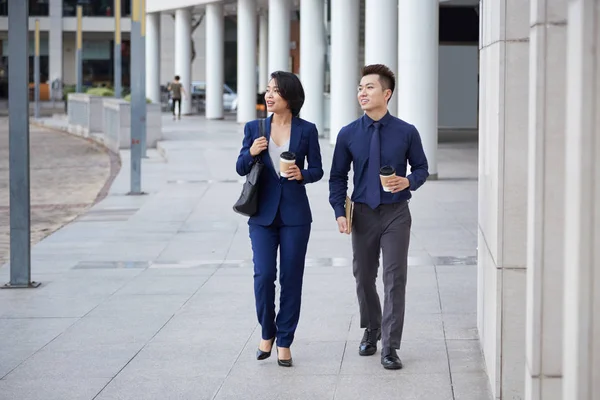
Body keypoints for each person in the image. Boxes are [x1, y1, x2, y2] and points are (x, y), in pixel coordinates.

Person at [328, 64, 429, 370]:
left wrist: (408, 181)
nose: (362, 92)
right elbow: (337, 177)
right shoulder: (348, 134)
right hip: (362, 214)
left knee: (394, 278)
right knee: (363, 277)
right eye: (360, 87)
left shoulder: (406, 132)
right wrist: (339, 212)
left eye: (369, 87)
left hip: (396, 213)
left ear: (386, 93)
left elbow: (422, 168)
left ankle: (390, 345)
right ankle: (371, 329)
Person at [236, 71, 323, 367]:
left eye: (275, 91)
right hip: (261, 215)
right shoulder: (254, 128)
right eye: (268, 90)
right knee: (263, 276)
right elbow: (240, 167)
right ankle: (267, 331)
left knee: (290, 278)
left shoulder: (307, 130)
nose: (269, 95)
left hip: (296, 215)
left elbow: (318, 170)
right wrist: (251, 152)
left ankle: (285, 340)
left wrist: (303, 174)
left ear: (291, 97)